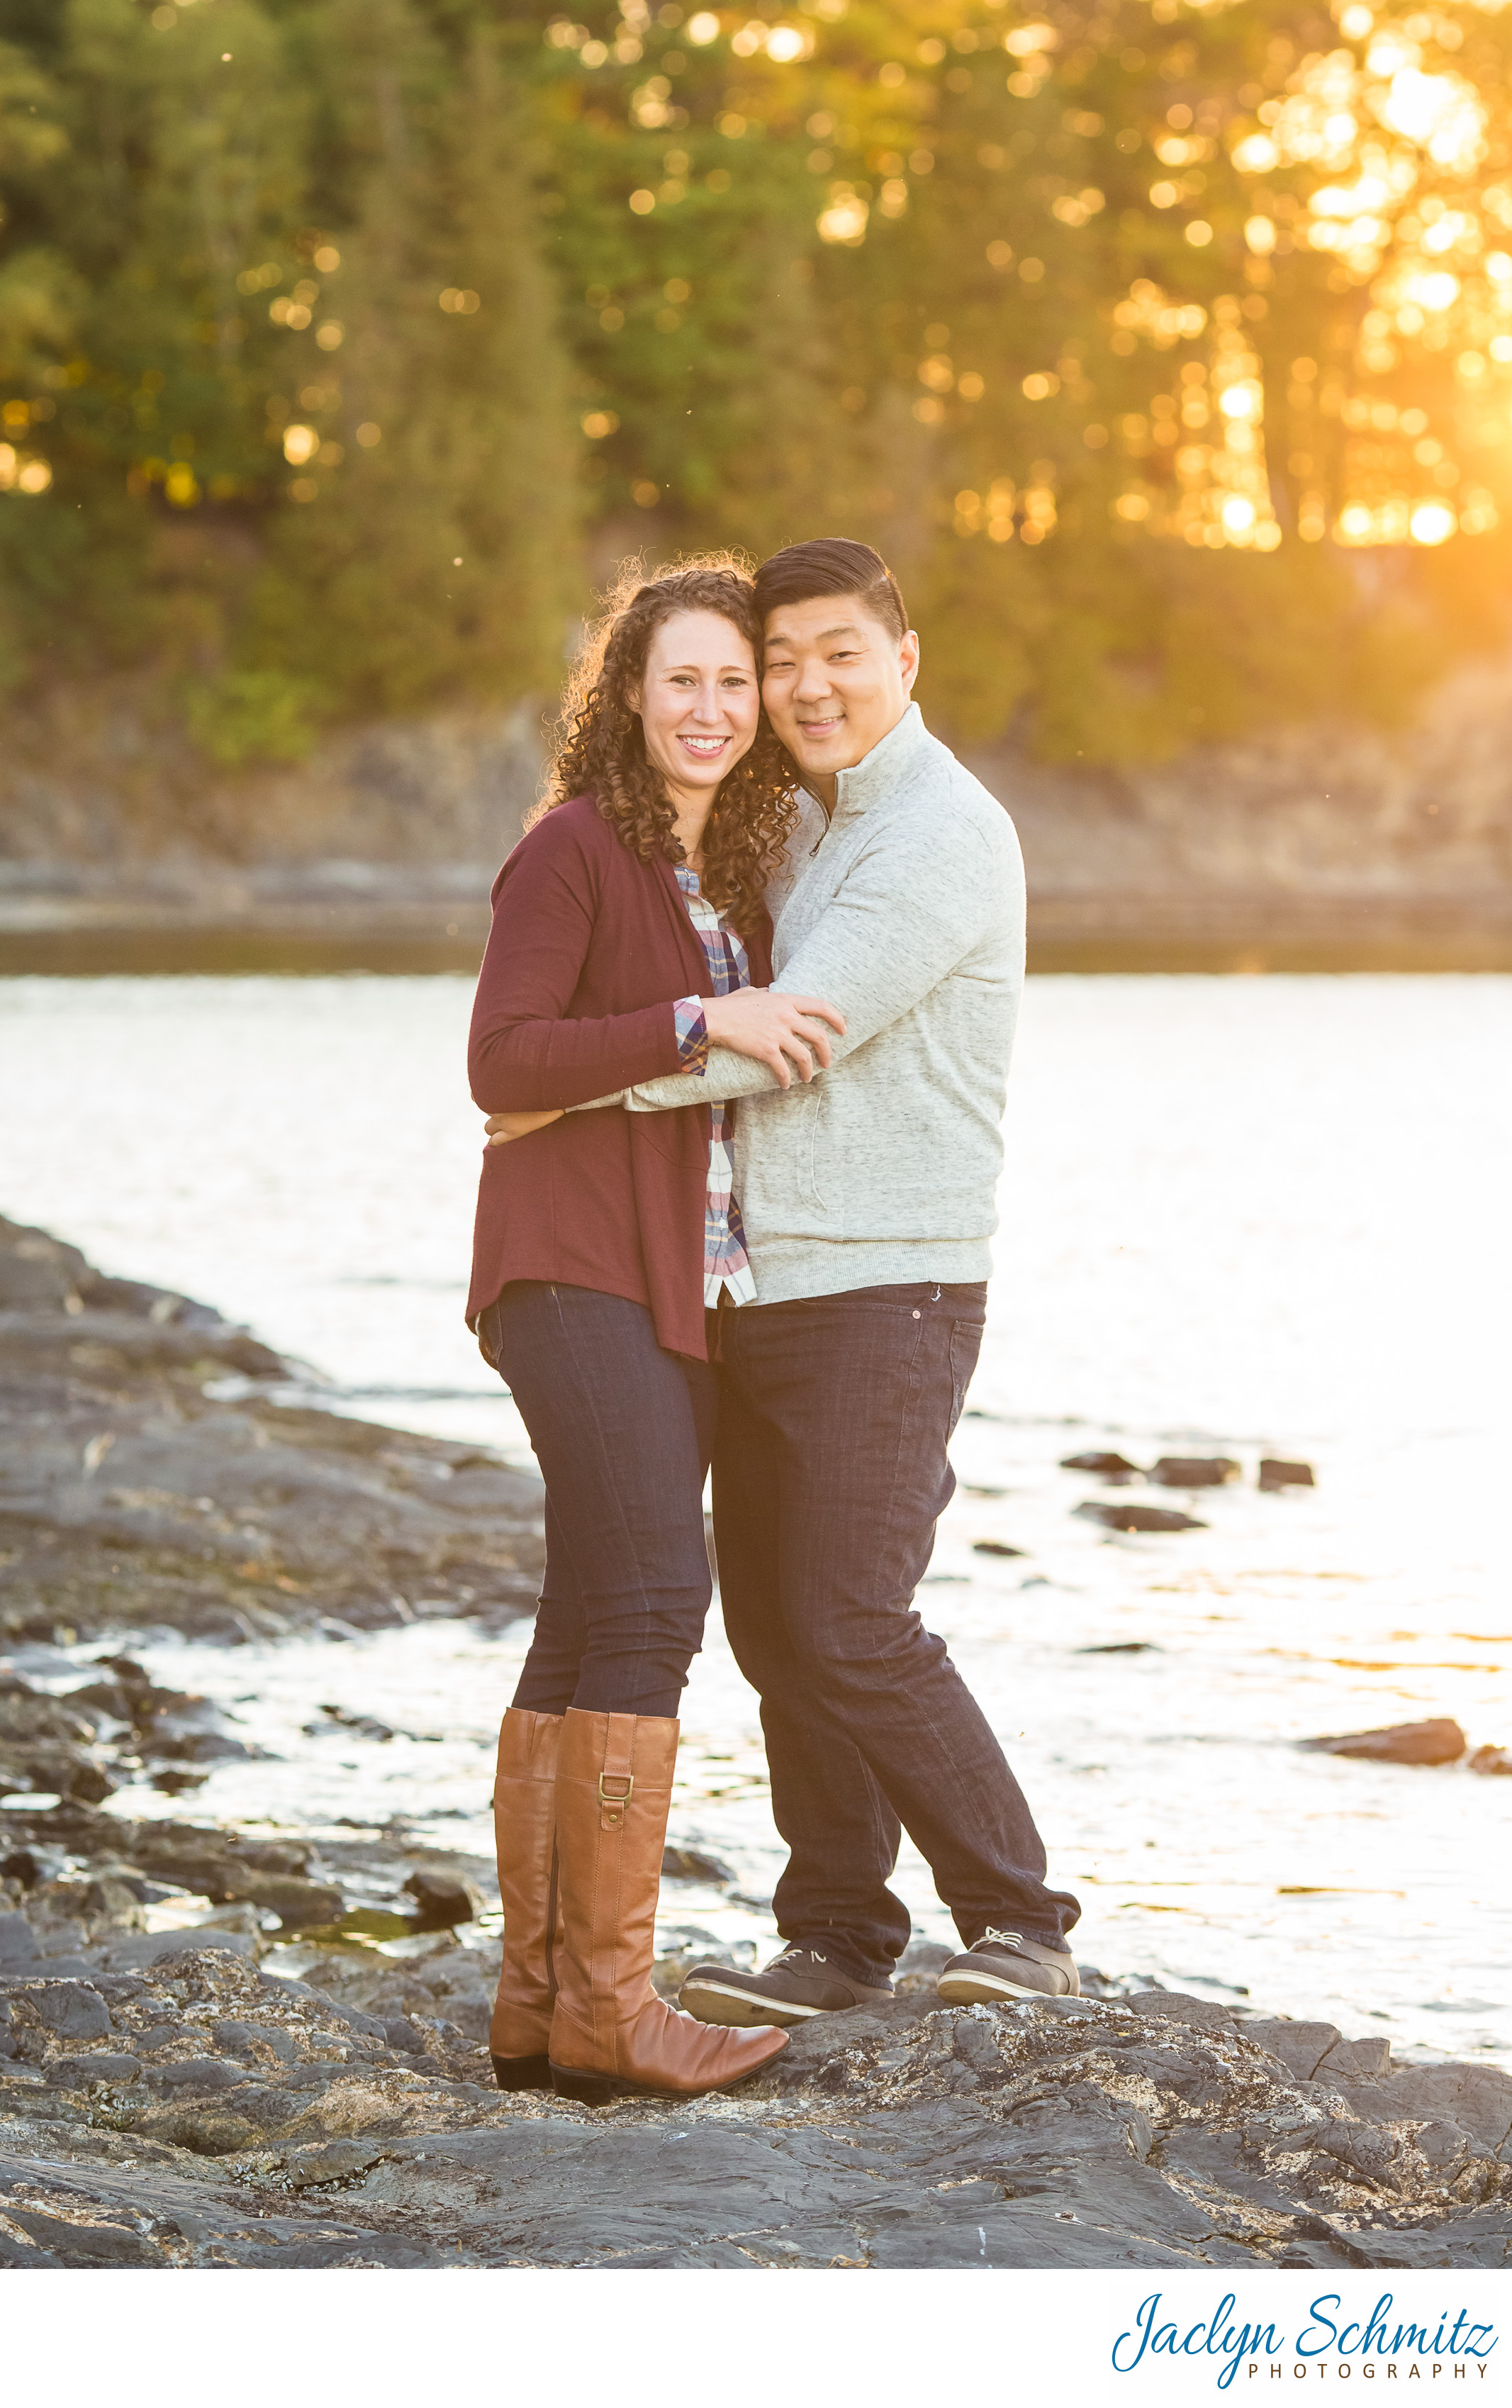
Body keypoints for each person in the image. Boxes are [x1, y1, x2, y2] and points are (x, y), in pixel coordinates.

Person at [493, 538, 1081, 2024]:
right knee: (771, 1621)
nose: (805, 687)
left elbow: (787, 1029)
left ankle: (1017, 1919)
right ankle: (832, 1932)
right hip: (758, 1288)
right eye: (781, 663)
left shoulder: (938, 833)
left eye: (839, 654)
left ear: (903, 659)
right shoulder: (799, 830)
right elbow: (732, 1020)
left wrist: (564, 1101)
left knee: (848, 1616)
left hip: (890, 1287)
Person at [465, 555, 844, 2103]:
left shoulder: (731, 881)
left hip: (665, 1279)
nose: (708, 708)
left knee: (586, 1612)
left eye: (731, 684)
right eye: (678, 679)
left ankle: (543, 2005)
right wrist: (699, 1021)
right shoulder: (568, 851)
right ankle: (613, 2010)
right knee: (650, 1600)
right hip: (570, 1271)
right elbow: (502, 1062)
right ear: (626, 696)